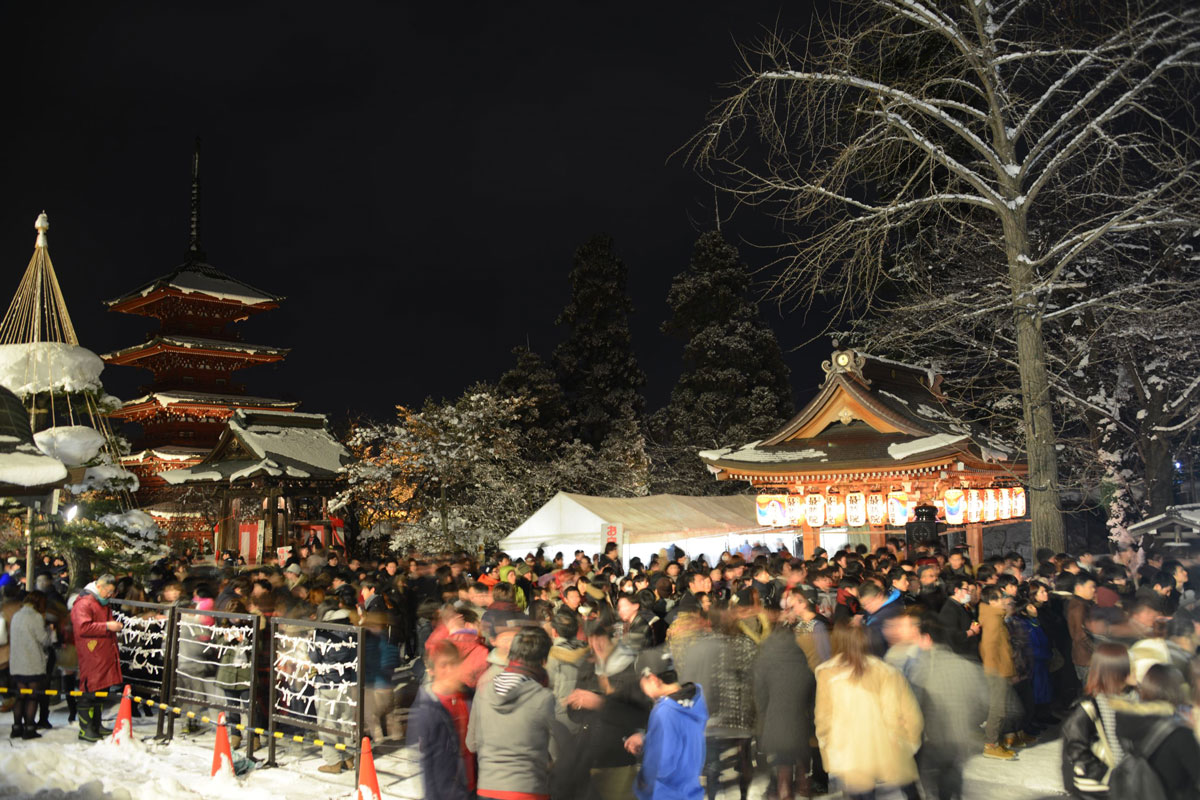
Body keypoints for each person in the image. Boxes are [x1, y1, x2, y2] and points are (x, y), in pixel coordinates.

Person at [1061, 643, 1200, 799]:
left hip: (1129, 779)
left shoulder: (1133, 700)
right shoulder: (1089, 707)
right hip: (1099, 786)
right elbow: (1075, 748)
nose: (1135, 669)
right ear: (1116, 671)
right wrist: (1106, 774)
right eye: (1130, 665)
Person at [814, 622, 923, 800]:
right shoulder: (888, 672)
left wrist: (827, 747)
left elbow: (823, 718)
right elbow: (911, 715)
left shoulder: (828, 674)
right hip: (886, 748)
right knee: (906, 791)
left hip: (849, 753)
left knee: (858, 793)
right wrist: (908, 745)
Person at [466, 626, 565, 800]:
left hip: (487, 789)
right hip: (529, 789)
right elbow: (555, 754)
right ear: (543, 660)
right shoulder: (543, 698)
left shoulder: (483, 689)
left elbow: (471, 743)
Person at [909, 616, 988, 800]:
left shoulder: (922, 669)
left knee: (934, 790)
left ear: (926, 638)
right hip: (959, 743)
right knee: (951, 785)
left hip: (933, 743)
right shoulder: (966, 665)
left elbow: (915, 710)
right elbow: (982, 702)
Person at [625, 648, 708, 800]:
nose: (642, 688)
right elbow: (680, 737)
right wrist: (648, 739)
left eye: (641, 682)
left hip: (667, 793)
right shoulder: (695, 700)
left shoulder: (664, 712)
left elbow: (662, 763)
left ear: (653, 679)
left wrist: (643, 784)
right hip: (691, 791)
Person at [754, 617, 816, 800]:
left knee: (782, 763)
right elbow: (811, 697)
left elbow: (760, 697)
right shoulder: (803, 664)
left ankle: (784, 791)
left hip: (774, 721)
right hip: (799, 720)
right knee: (798, 753)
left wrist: (763, 719)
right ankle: (803, 783)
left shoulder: (765, 663)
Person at [408, 640, 473, 800]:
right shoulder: (425, 709)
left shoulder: (470, 697)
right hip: (446, 793)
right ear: (432, 670)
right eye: (443, 665)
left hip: (474, 790)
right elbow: (421, 762)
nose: (450, 670)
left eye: (454, 664)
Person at [71, 574, 123, 742]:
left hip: (103, 653)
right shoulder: (84, 603)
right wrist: (108, 626)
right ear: (99, 587)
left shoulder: (101, 602)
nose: (110, 595)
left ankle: (96, 725)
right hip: (91, 654)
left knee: (102, 689)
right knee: (90, 690)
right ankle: (86, 729)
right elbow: (82, 627)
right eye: (108, 591)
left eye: (112, 592)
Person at [9, 591, 50, 739]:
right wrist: (49, 631)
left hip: (17, 663)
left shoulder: (17, 615)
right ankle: (29, 727)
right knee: (32, 697)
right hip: (32, 663)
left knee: (20, 697)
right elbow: (44, 640)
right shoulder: (36, 617)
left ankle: (16, 727)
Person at [1067, 573, 1097, 686]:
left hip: (1083, 657)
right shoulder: (1079, 607)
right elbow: (1081, 635)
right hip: (1087, 659)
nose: (1094, 590)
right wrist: (1097, 652)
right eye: (1091, 587)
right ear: (1079, 587)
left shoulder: (1079, 604)